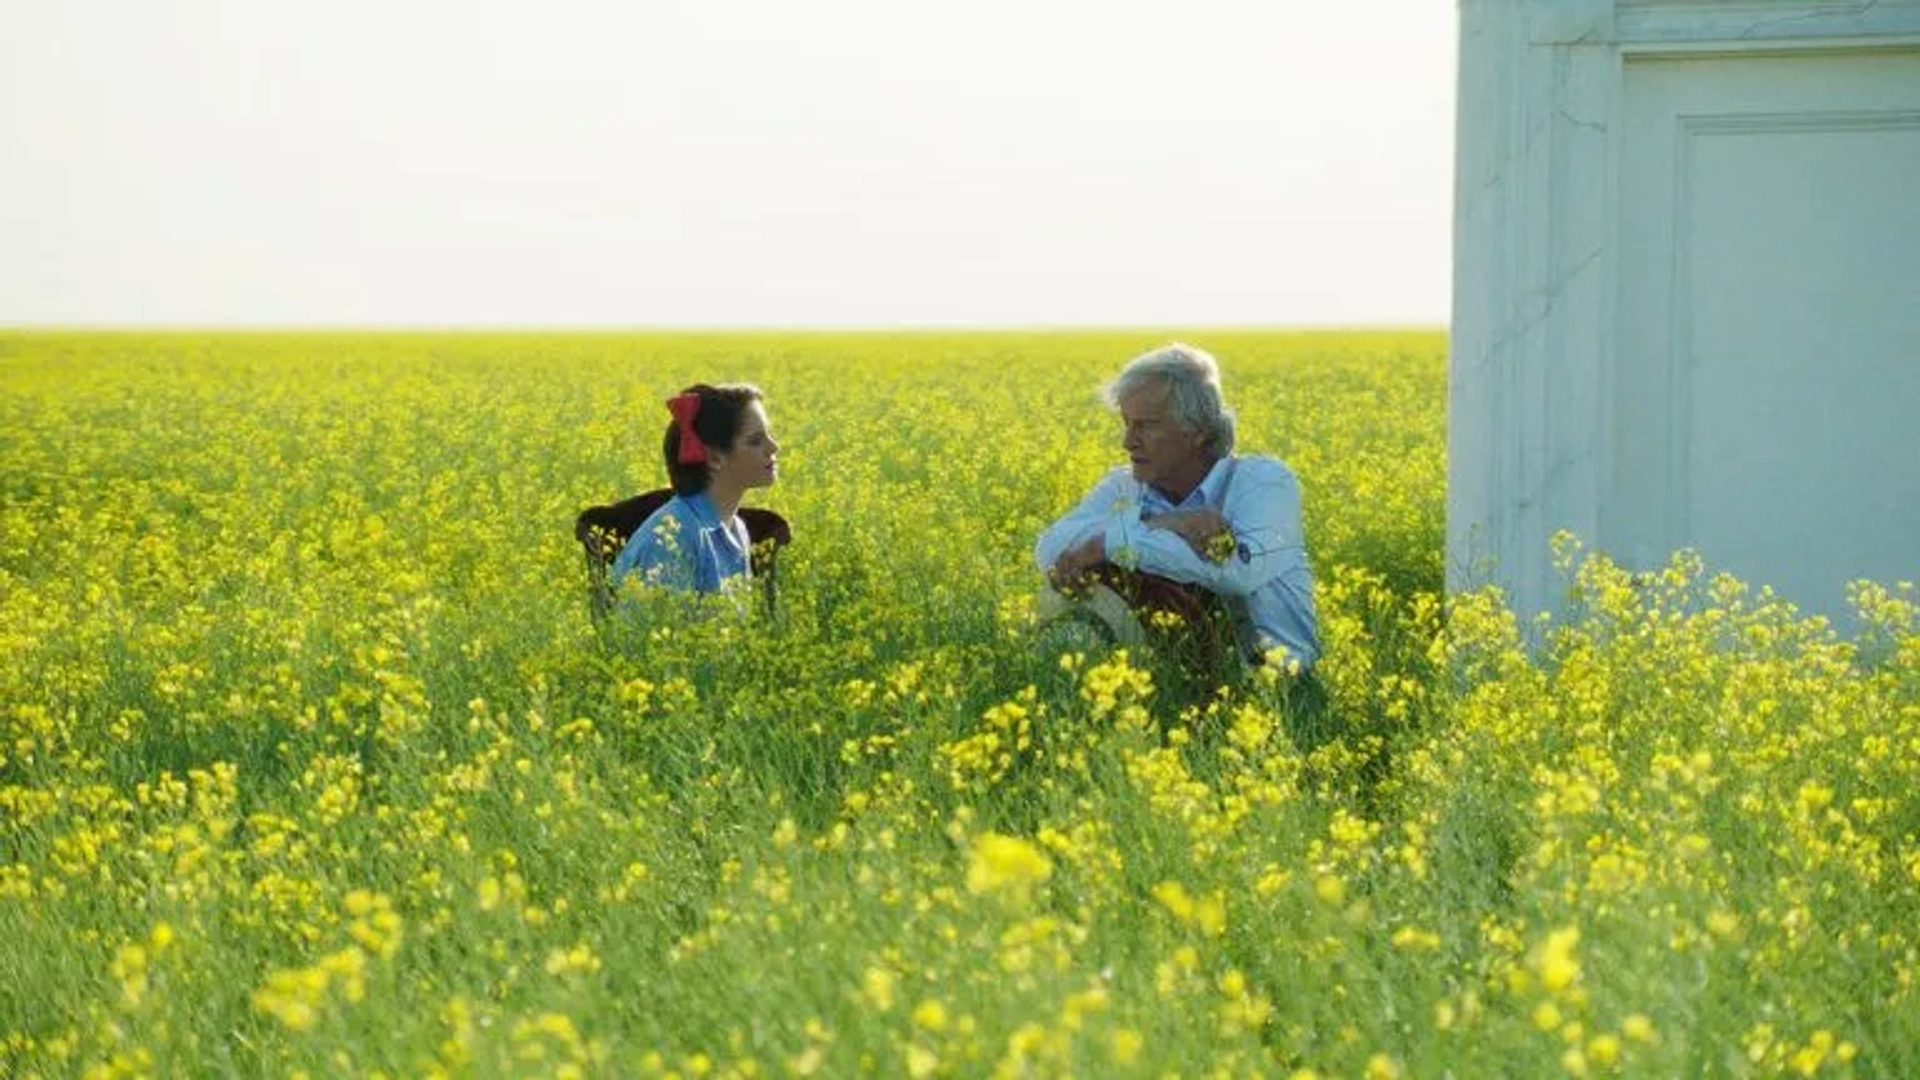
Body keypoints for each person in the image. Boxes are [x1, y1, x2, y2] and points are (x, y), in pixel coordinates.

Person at [1034, 343, 1320, 671]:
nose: (1128, 441)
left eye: (1147, 425)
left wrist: (1109, 543)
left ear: (1197, 430)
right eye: (1126, 423)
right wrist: (1169, 523)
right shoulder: (1124, 485)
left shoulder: (1264, 483)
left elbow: (1238, 572)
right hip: (1162, 693)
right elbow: (1051, 548)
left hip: (1275, 695)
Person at [611, 383, 779, 596]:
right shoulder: (671, 540)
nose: (774, 447)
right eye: (756, 441)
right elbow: (651, 627)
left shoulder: (736, 529)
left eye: (769, 435)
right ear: (715, 458)